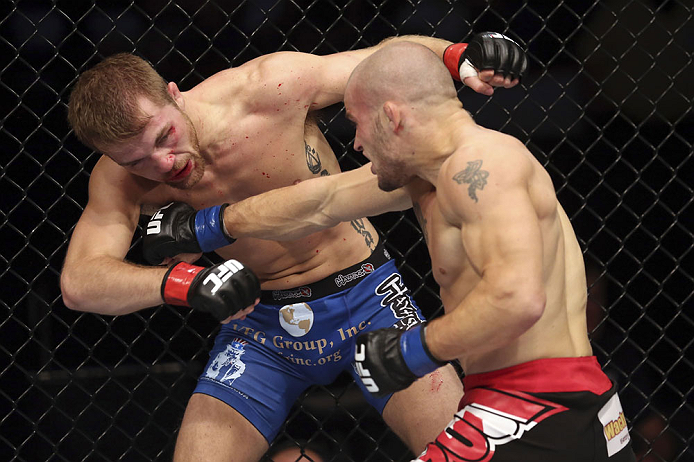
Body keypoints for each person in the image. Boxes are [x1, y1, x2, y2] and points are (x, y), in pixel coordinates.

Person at [149, 41, 636, 460]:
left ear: (392, 116)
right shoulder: (432, 175)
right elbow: (318, 200)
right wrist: (205, 226)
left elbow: (517, 299)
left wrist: (413, 351)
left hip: (535, 405)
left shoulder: (480, 168)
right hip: (564, 403)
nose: (357, 143)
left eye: (359, 124)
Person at [61, 32, 526, 461]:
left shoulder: (266, 89)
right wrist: (183, 282)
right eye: (137, 159)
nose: (163, 163)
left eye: (165, 136)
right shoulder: (120, 180)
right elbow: (80, 282)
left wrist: (457, 55)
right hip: (261, 330)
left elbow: (385, 60)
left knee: (469, 457)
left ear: (175, 93)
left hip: (368, 299)